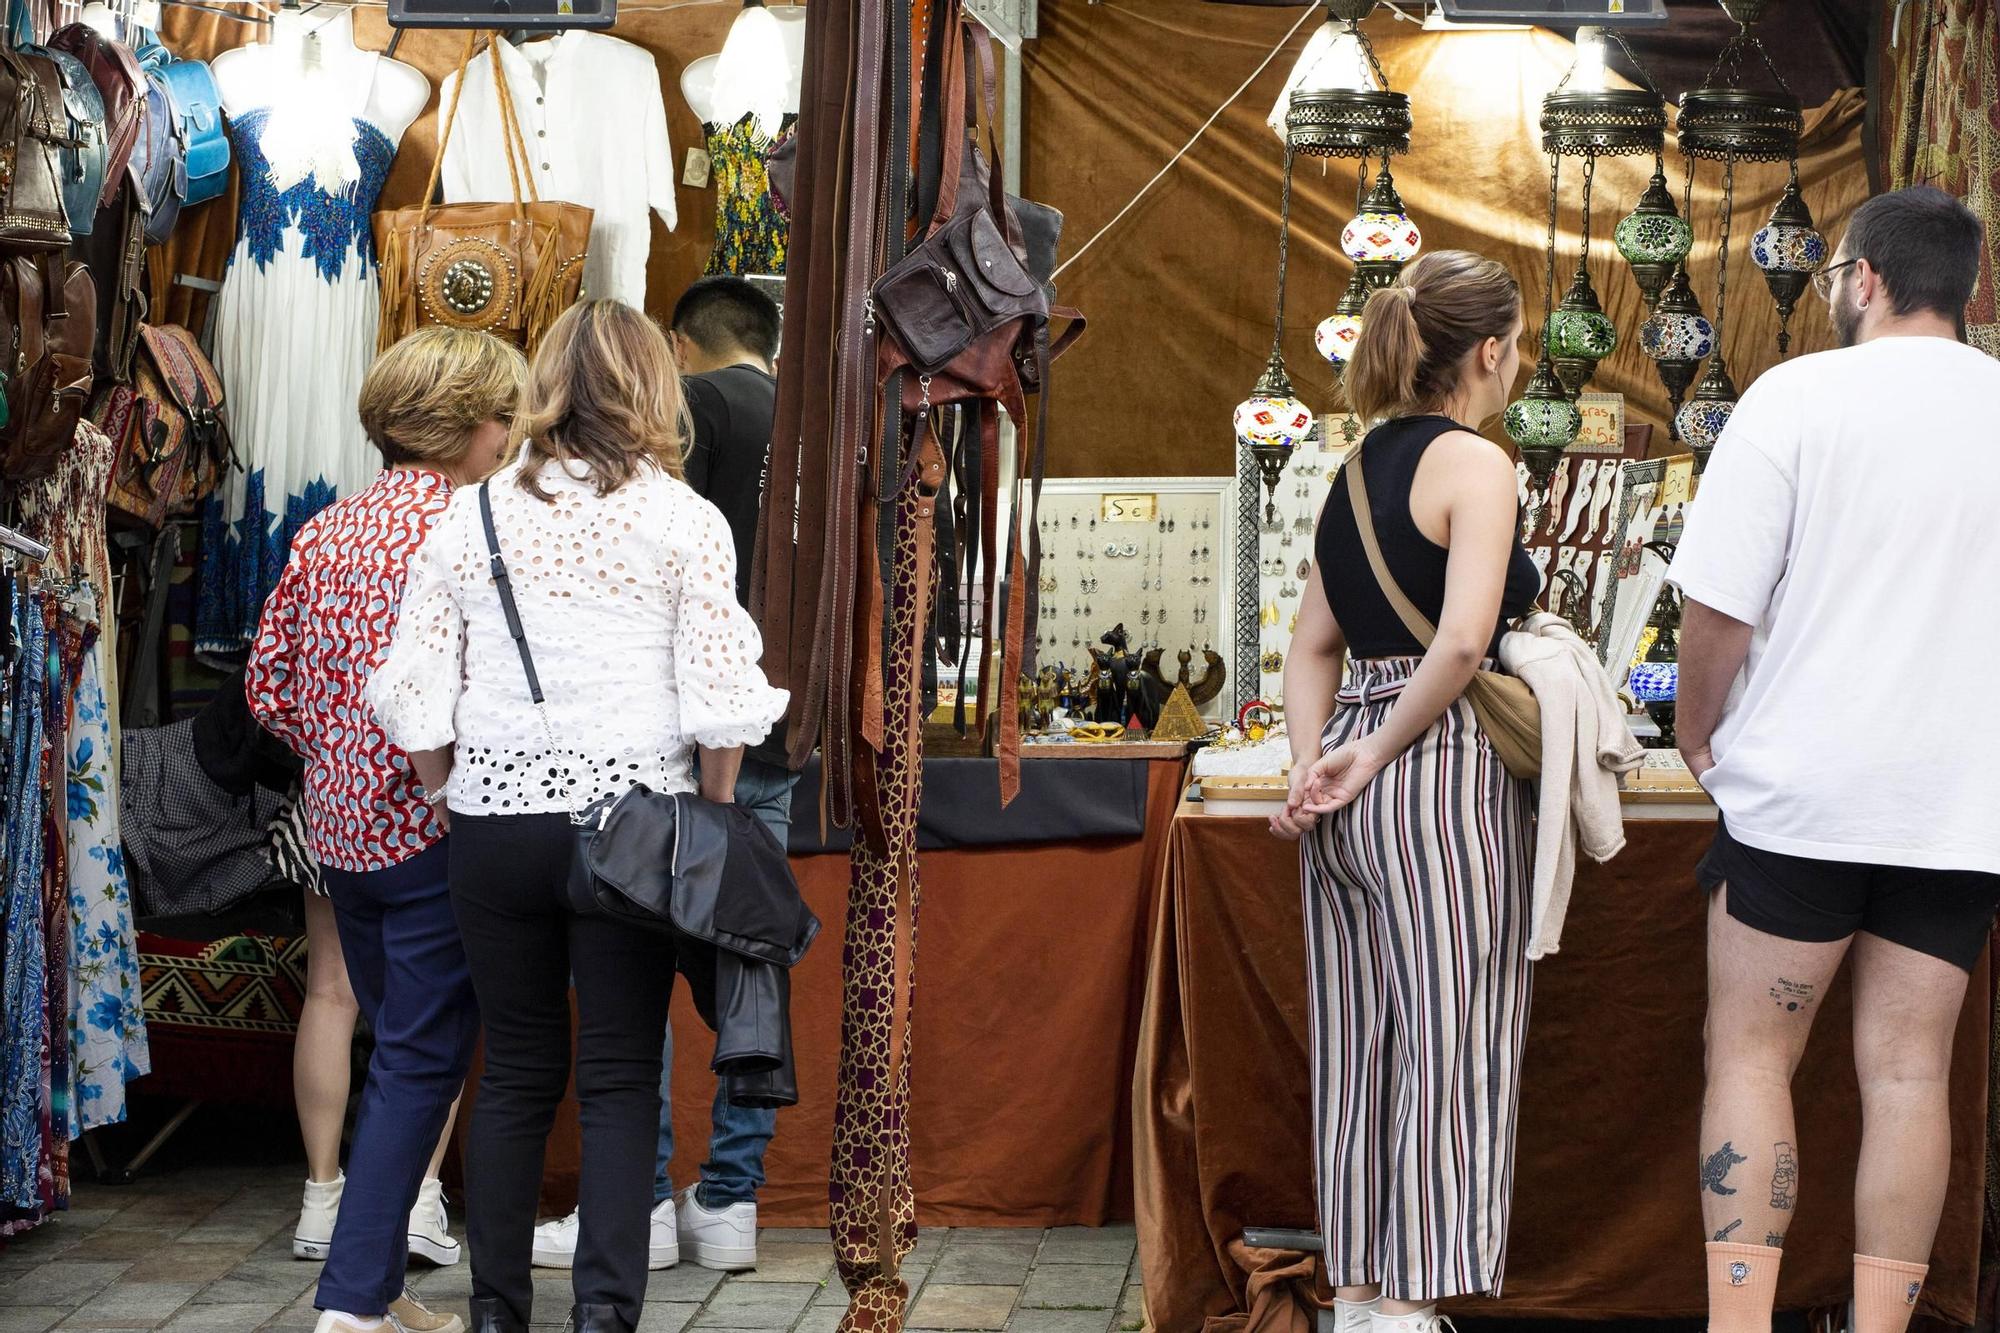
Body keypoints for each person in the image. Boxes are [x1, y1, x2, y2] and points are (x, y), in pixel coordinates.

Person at [368, 299, 789, 1333]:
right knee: (614, 1078)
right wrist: (717, 816)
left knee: (512, 1072)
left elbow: (411, 688)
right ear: (656, 387)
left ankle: (498, 1314)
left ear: (542, 387)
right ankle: (605, 1314)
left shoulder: (469, 514)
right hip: (637, 829)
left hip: (495, 825)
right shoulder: (685, 519)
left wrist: (441, 789)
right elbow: (721, 696)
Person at [1668, 185, 2000, 1333]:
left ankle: (1739, 1325)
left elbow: (1715, 611)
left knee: (1752, 1058)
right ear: (1964, 288)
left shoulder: (1794, 396)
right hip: (1957, 806)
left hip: (1797, 798)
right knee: (1909, 1074)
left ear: (1860, 277)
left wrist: (1694, 729)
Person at [1270, 250, 1539, 1333]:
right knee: (1450, 1037)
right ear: (1485, 352)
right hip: (1434, 769)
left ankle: (1357, 1296)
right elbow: (1467, 638)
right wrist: (1378, 752)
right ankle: (1409, 1304)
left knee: (1359, 1047)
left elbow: (1308, 647)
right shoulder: (1476, 465)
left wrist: (1313, 763)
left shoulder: (1350, 468)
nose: (1516, 362)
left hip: (1341, 773)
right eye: (1515, 344)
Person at [247, 326, 527, 1333]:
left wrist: (334, 753)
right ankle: (352, 1305)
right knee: (422, 1058)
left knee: (397, 1049)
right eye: (505, 419)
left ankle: (379, 1285)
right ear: (468, 428)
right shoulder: (474, 532)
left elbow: (266, 685)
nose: (513, 437)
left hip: (341, 834)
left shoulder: (328, 529)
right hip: (435, 827)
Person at [529, 276, 792, 1276]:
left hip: (673, 746)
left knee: (628, 982)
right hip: (769, 729)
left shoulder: (701, 421)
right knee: (744, 975)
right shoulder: (819, 416)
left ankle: (637, 1201)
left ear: (679, 349)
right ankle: (728, 1201)